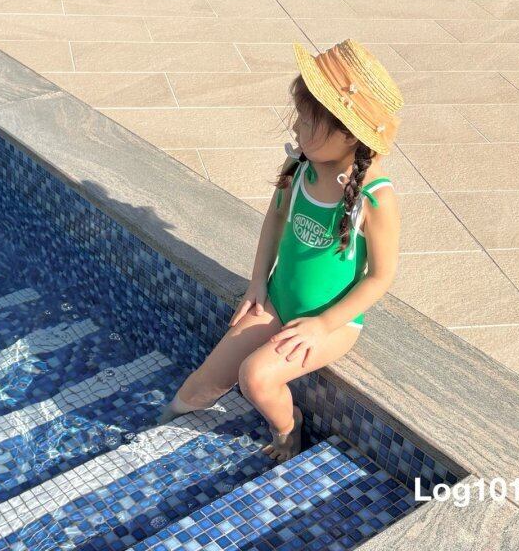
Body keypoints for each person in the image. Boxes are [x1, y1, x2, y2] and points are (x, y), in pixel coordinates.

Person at [157, 38, 404, 462]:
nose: (295, 129)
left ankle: (289, 429)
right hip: (277, 300)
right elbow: (274, 221)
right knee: (197, 388)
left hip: (331, 323)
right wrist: (258, 283)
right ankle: (155, 427)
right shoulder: (301, 166)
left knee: (256, 377)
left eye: (306, 122)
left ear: (348, 133)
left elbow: (381, 276)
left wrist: (322, 325)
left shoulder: (374, 197)